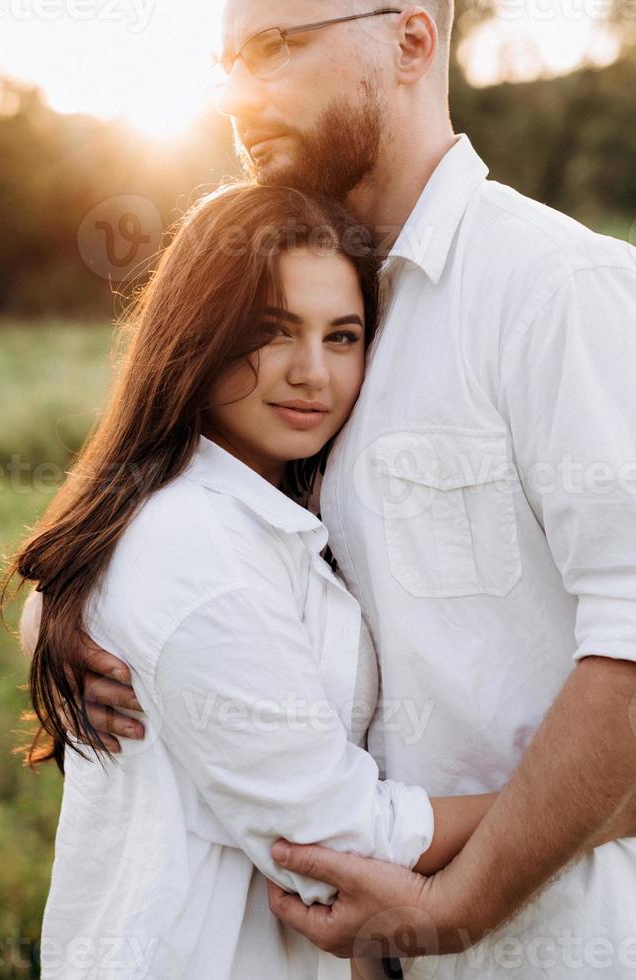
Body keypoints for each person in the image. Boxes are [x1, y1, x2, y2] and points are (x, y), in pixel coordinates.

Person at [60, 1, 636, 976]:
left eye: (276, 47)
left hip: (553, 944)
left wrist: (458, 904)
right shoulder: (316, 304)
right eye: (226, 62)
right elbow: (194, 520)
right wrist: (83, 616)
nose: (240, 93)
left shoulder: (556, 288)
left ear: (411, 38)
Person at [12, 183, 504, 980]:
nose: (311, 372)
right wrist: (584, 811)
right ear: (197, 334)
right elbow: (331, 844)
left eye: (341, 336)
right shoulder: (196, 542)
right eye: (271, 332)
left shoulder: (276, 507)